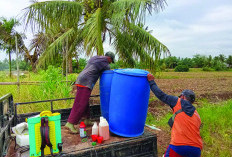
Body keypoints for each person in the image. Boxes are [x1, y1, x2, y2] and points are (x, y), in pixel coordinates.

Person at [147, 73, 202, 157]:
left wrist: (151, 82)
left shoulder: (178, 102)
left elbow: (161, 95)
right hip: (196, 150)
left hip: (179, 146)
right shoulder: (197, 115)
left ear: (183, 97)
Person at [65, 52, 115, 133]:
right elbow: (108, 72)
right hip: (86, 82)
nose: (110, 63)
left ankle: (86, 119)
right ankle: (70, 123)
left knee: (84, 101)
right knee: (81, 103)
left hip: (81, 79)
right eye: (111, 61)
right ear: (109, 58)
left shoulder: (95, 58)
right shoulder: (105, 63)